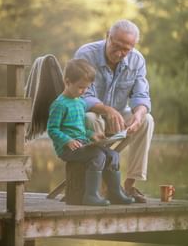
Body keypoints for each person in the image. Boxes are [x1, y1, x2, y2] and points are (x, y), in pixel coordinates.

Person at [74, 19, 154, 203]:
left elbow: (141, 96)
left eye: (126, 49)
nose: (119, 53)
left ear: (133, 46)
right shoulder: (86, 54)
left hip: (118, 116)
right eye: (116, 46)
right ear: (107, 36)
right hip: (91, 115)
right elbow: (81, 96)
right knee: (90, 117)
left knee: (147, 120)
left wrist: (138, 115)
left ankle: (128, 186)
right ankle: (97, 186)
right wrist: (107, 110)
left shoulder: (137, 60)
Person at [47, 59, 133, 206]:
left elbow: (79, 128)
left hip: (83, 144)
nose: (84, 91)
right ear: (67, 82)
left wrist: (91, 134)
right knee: (98, 155)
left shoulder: (80, 102)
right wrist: (67, 140)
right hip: (68, 149)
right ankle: (91, 196)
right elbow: (52, 129)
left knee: (113, 155)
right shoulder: (59, 104)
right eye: (81, 87)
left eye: (87, 88)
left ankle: (115, 193)